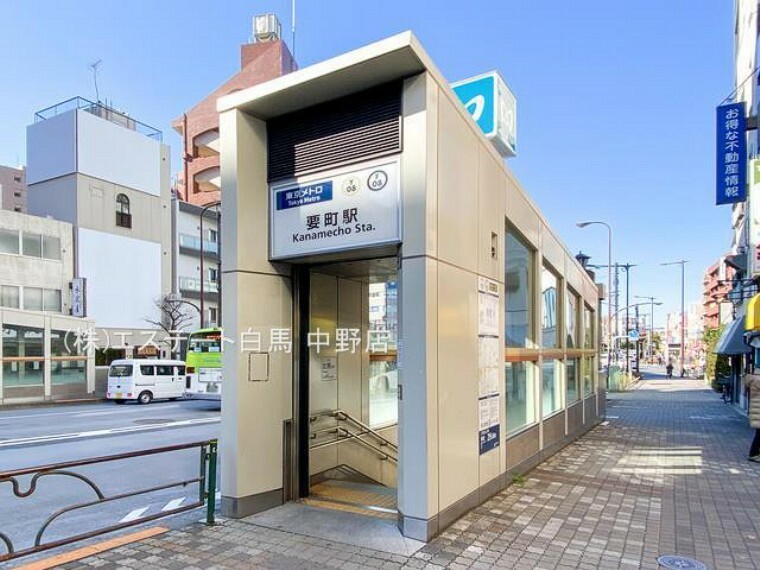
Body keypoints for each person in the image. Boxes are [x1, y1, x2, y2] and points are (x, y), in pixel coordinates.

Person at [746, 373, 760, 462]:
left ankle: (754, 453)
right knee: (759, 435)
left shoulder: (755, 378)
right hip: (758, 410)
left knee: (758, 434)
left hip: (756, 410)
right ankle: (753, 454)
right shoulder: (758, 380)